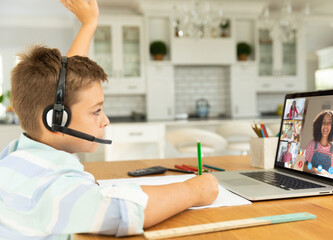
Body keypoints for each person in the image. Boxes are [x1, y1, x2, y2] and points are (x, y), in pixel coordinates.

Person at [0, 0, 219, 239]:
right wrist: (193, 190)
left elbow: (69, 89)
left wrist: (88, 24)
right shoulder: (51, 188)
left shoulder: (16, 156)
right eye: (96, 111)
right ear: (57, 119)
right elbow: (123, 212)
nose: (105, 121)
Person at [304, 110, 333, 180]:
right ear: (319, 125)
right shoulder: (312, 144)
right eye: (323, 122)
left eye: (329, 122)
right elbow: (301, 165)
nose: (326, 125)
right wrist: (317, 171)